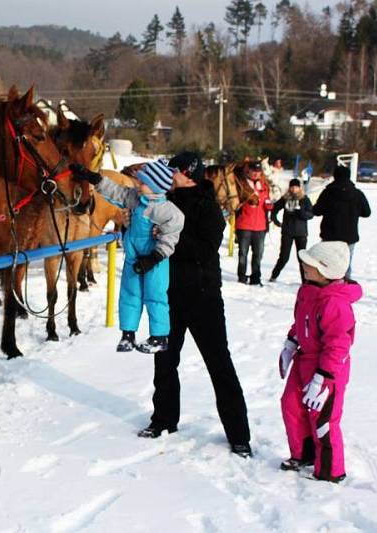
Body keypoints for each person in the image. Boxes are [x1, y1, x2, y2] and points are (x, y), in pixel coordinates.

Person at [138, 151, 252, 459]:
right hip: (168, 296)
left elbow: (205, 248)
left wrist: (168, 237)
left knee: (219, 365)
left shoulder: (208, 207)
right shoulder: (164, 203)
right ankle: (163, 420)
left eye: (172, 170)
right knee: (164, 362)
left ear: (187, 173)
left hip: (203, 298)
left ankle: (239, 435)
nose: (168, 175)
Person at [70, 160, 184, 353]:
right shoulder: (135, 199)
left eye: (143, 182)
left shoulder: (166, 210)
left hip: (155, 262)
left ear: (156, 186)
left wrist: (154, 257)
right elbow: (116, 191)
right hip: (133, 258)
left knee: (155, 296)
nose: (138, 185)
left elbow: (171, 234)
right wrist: (93, 178)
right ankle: (128, 334)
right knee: (129, 296)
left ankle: (159, 336)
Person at [278, 241, 362, 482]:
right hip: (304, 360)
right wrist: (291, 343)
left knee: (322, 418)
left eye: (311, 264)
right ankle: (304, 454)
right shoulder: (307, 291)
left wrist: (323, 377)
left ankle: (330, 471)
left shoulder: (334, 303)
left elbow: (338, 345)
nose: (305, 266)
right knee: (291, 405)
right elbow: (301, 322)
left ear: (326, 270)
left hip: (327, 369)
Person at [312, 164, 371, 278]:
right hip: (349, 235)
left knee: (327, 262)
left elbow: (317, 211)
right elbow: (367, 213)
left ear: (335, 176)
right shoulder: (357, 194)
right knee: (346, 263)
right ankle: (345, 287)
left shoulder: (328, 193)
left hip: (329, 234)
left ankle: (328, 285)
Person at [235, 161, 273, 286]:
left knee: (258, 254)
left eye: (258, 171)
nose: (256, 174)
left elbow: (268, 200)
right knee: (243, 253)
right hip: (244, 224)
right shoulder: (242, 184)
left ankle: (256, 277)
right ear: (248, 171)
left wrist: (269, 205)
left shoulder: (264, 185)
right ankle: (241, 277)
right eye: (254, 171)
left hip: (260, 226)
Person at [270, 178, 314, 282]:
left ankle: (305, 281)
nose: (294, 189)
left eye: (296, 187)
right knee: (284, 257)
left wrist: (301, 212)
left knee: (302, 258)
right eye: (292, 187)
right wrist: (275, 220)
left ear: (299, 188)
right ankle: (274, 276)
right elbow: (274, 209)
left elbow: (311, 214)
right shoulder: (285, 198)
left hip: (301, 233)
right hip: (287, 232)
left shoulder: (304, 199)